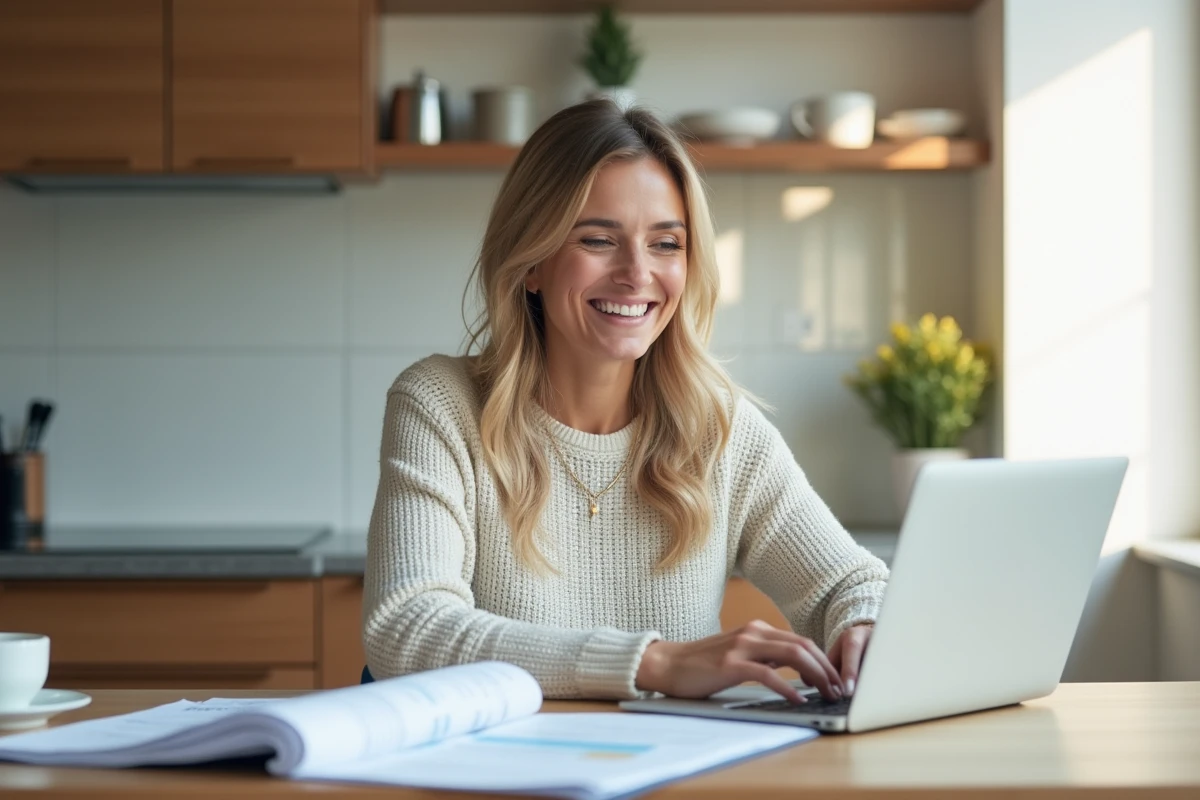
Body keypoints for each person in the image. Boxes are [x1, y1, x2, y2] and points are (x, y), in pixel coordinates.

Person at [363, 99, 889, 704]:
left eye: (666, 243)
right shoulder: (440, 405)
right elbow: (406, 630)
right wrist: (652, 664)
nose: (637, 274)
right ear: (532, 262)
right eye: (597, 239)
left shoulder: (717, 427)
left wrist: (862, 624)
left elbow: (848, 582)